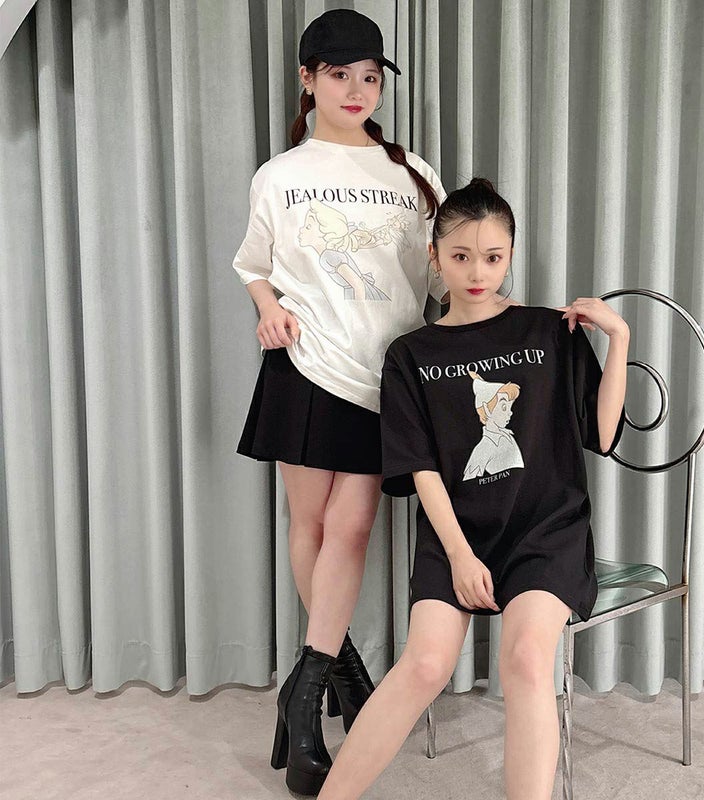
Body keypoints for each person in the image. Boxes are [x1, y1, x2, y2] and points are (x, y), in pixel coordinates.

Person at [232, 9, 511, 797]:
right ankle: (337, 677)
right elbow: (254, 263)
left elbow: (446, 268)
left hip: (384, 372)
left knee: (350, 527)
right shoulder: (281, 173)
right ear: (308, 78)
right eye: (340, 75)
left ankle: (304, 694)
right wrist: (265, 307)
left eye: (369, 77)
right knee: (311, 526)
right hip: (303, 364)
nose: (357, 90)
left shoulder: (413, 173)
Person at [317, 178, 628, 800]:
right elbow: (420, 467)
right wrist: (459, 555)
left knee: (526, 661)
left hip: (546, 531)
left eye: (493, 257)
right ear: (435, 258)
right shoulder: (410, 355)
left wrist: (618, 339)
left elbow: (602, 432)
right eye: (461, 257)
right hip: (456, 533)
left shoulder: (550, 332)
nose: (478, 272)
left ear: (510, 255)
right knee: (425, 664)